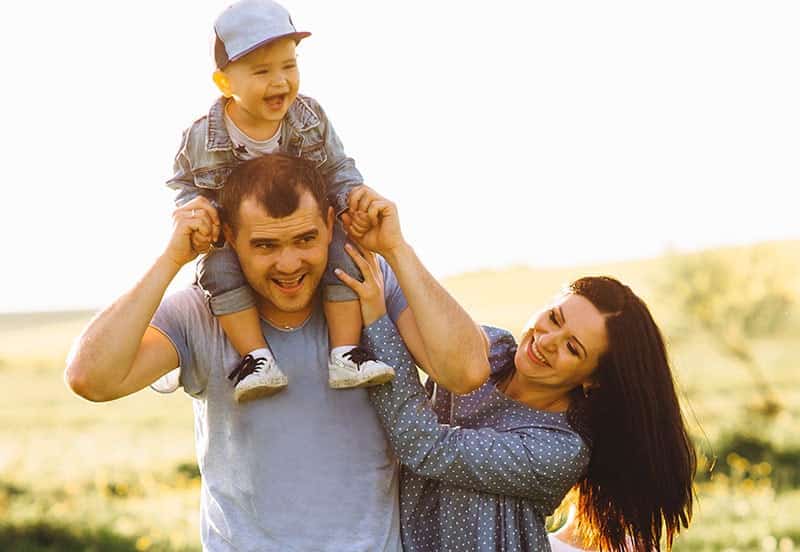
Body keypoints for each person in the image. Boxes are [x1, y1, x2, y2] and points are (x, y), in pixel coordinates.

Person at [64, 154, 489, 550]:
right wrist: (172, 258)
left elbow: (467, 370)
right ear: (230, 236)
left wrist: (397, 250)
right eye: (266, 245)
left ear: (329, 222)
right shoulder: (200, 311)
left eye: (305, 239)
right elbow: (91, 378)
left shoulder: (369, 289)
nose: (289, 264)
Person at [334, 189, 697, 551]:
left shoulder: (560, 447)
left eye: (573, 347)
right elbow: (415, 322)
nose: (548, 341)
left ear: (593, 379)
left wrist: (378, 315)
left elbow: (427, 446)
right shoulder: (487, 351)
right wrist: (383, 246)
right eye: (554, 318)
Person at [166, 0, 395, 402]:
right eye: (262, 71)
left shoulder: (309, 117)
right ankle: (256, 358)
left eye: (289, 67)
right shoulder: (202, 137)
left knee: (345, 248)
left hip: (304, 227)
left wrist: (353, 198)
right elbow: (185, 186)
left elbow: (339, 167)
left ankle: (345, 353)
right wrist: (196, 212)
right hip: (238, 238)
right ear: (225, 83)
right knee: (217, 269)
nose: (280, 82)